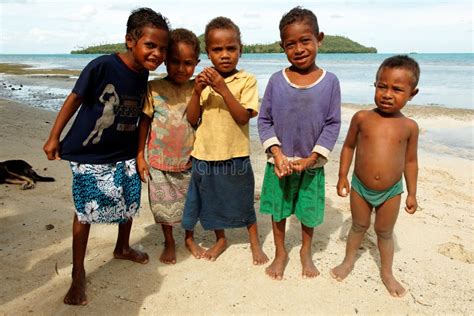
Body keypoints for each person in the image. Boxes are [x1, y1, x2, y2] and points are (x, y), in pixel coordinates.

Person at [43, 8, 170, 305]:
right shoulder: (102, 66)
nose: (157, 53)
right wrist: (53, 136)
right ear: (130, 40)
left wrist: (140, 153)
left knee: (129, 202)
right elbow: (74, 98)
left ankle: (122, 247)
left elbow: (140, 116)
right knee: (85, 210)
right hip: (90, 153)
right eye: (151, 45)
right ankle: (78, 273)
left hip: (124, 152)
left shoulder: (143, 74)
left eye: (163, 48)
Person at [258, 6, 341, 280]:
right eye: (290, 44)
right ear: (282, 46)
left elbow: (332, 124)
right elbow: (264, 120)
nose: (299, 49)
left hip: (311, 165)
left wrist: (313, 158)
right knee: (278, 209)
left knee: (308, 209)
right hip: (279, 163)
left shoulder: (330, 82)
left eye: (305, 40)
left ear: (320, 38)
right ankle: (281, 251)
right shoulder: (275, 81)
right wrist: (277, 153)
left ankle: (306, 250)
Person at [330, 55, 420, 297]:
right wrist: (342, 176)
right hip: (360, 186)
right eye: (382, 86)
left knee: (384, 231)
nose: (387, 94)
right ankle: (348, 260)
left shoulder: (409, 126)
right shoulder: (362, 118)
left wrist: (412, 192)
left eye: (397, 89)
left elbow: (411, 161)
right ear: (375, 85)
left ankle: (387, 272)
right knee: (358, 225)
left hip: (392, 191)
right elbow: (348, 147)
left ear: (413, 93)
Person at [182, 16, 268, 265]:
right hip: (204, 154)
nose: (225, 54)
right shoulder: (203, 82)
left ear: (241, 49)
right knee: (210, 200)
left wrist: (222, 88)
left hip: (235, 154)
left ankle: (254, 243)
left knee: (242, 198)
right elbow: (192, 118)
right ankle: (220, 238)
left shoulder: (246, 80)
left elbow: (243, 117)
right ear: (208, 53)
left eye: (231, 48)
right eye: (217, 49)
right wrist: (198, 91)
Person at [136, 28, 201, 264]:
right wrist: (140, 156)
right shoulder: (154, 89)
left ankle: (189, 238)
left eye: (188, 63)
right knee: (163, 206)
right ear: (165, 61)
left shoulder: (198, 89)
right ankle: (170, 241)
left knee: (190, 203)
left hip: (189, 160)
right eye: (174, 62)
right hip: (158, 160)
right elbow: (144, 123)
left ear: (197, 63)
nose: (181, 69)